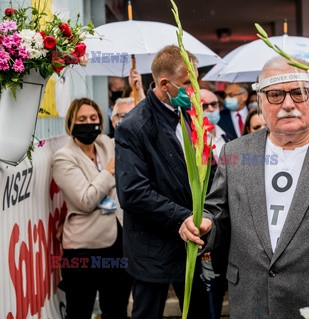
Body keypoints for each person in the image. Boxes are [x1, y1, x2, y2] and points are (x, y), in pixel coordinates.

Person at [180, 56, 309, 319]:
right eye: (275, 94)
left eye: (299, 93)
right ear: (260, 102)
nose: (288, 104)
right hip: (252, 302)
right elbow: (217, 214)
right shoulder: (236, 152)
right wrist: (204, 226)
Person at [114, 45, 211, 319]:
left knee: (200, 312)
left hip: (191, 244)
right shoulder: (134, 127)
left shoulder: (191, 117)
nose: (193, 91)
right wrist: (184, 217)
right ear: (164, 84)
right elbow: (133, 192)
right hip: (152, 249)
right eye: (186, 84)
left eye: (195, 83)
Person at [52, 98, 131, 319]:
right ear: (71, 123)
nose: (89, 123)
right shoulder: (63, 158)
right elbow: (85, 201)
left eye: (93, 118)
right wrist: (108, 172)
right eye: (82, 119)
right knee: (79, 311)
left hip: (118, 244)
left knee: (116, 311)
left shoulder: (106, 143)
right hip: (83, 250)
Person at [201, 88, 233, 157]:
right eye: (204, 106)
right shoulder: (191, 139)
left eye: (213, 104)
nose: (211, 109)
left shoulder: (227, 136)